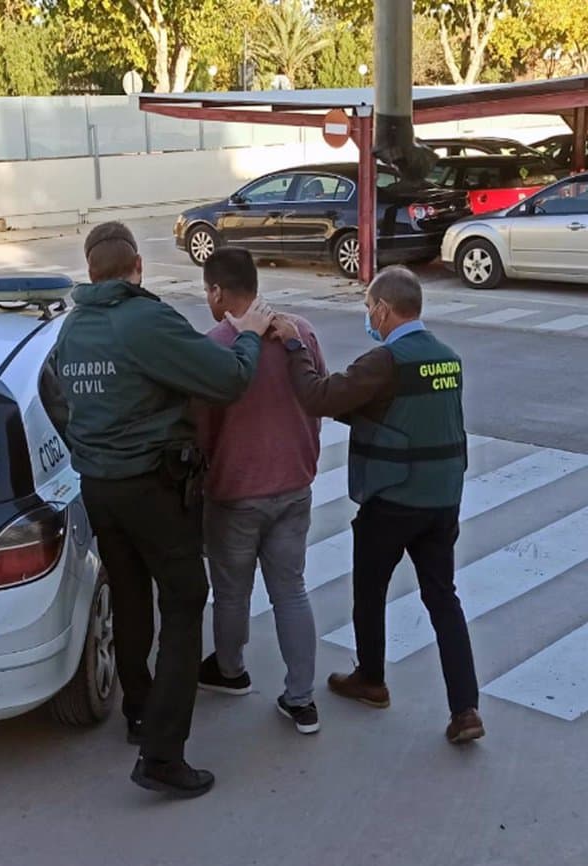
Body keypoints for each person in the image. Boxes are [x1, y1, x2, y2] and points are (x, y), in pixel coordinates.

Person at [51, 221, 273, 798]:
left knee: (129, 593)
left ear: (91, 270)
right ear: (136, 269)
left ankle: (139, 712)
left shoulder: (72, 328)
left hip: (98, 485)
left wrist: (89, 445)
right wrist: (246, 333)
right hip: (150, 485)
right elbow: (228, 378)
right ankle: (163, 755)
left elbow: (55, 395)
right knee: (183, 600)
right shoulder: (144, 320)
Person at [270, 266, 485, 744]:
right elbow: (402, 412)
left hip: (392, 500)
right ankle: (466, 710)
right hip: (443, 500)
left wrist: (293, 346)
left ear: (385, 310)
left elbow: (318, 397)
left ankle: (371, 679)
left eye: (369, 308)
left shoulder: (385, 361)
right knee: (443, 599)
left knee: (369, 591)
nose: (369, 316)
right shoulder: (447, 358)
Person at [196, 247, 325, 735]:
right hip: (294, 485)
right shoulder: (302, 332)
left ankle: (230, 671)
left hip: (235, 494)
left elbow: (201, 427)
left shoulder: (214, 345)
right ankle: (301, 700)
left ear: (217, 292)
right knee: (291, 589)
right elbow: (317, 395)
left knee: (231, 593)